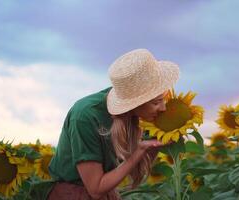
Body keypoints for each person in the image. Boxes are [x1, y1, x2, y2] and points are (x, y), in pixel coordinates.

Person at [47, 49, 180, 200]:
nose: (163, 108)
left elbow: (133, 169)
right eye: (156, 102)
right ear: (135, 103)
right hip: (73, 194)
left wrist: (163, 136)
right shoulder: (86, 116)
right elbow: (96, 189)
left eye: (162, 99)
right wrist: (141, 150)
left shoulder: (132, 114)